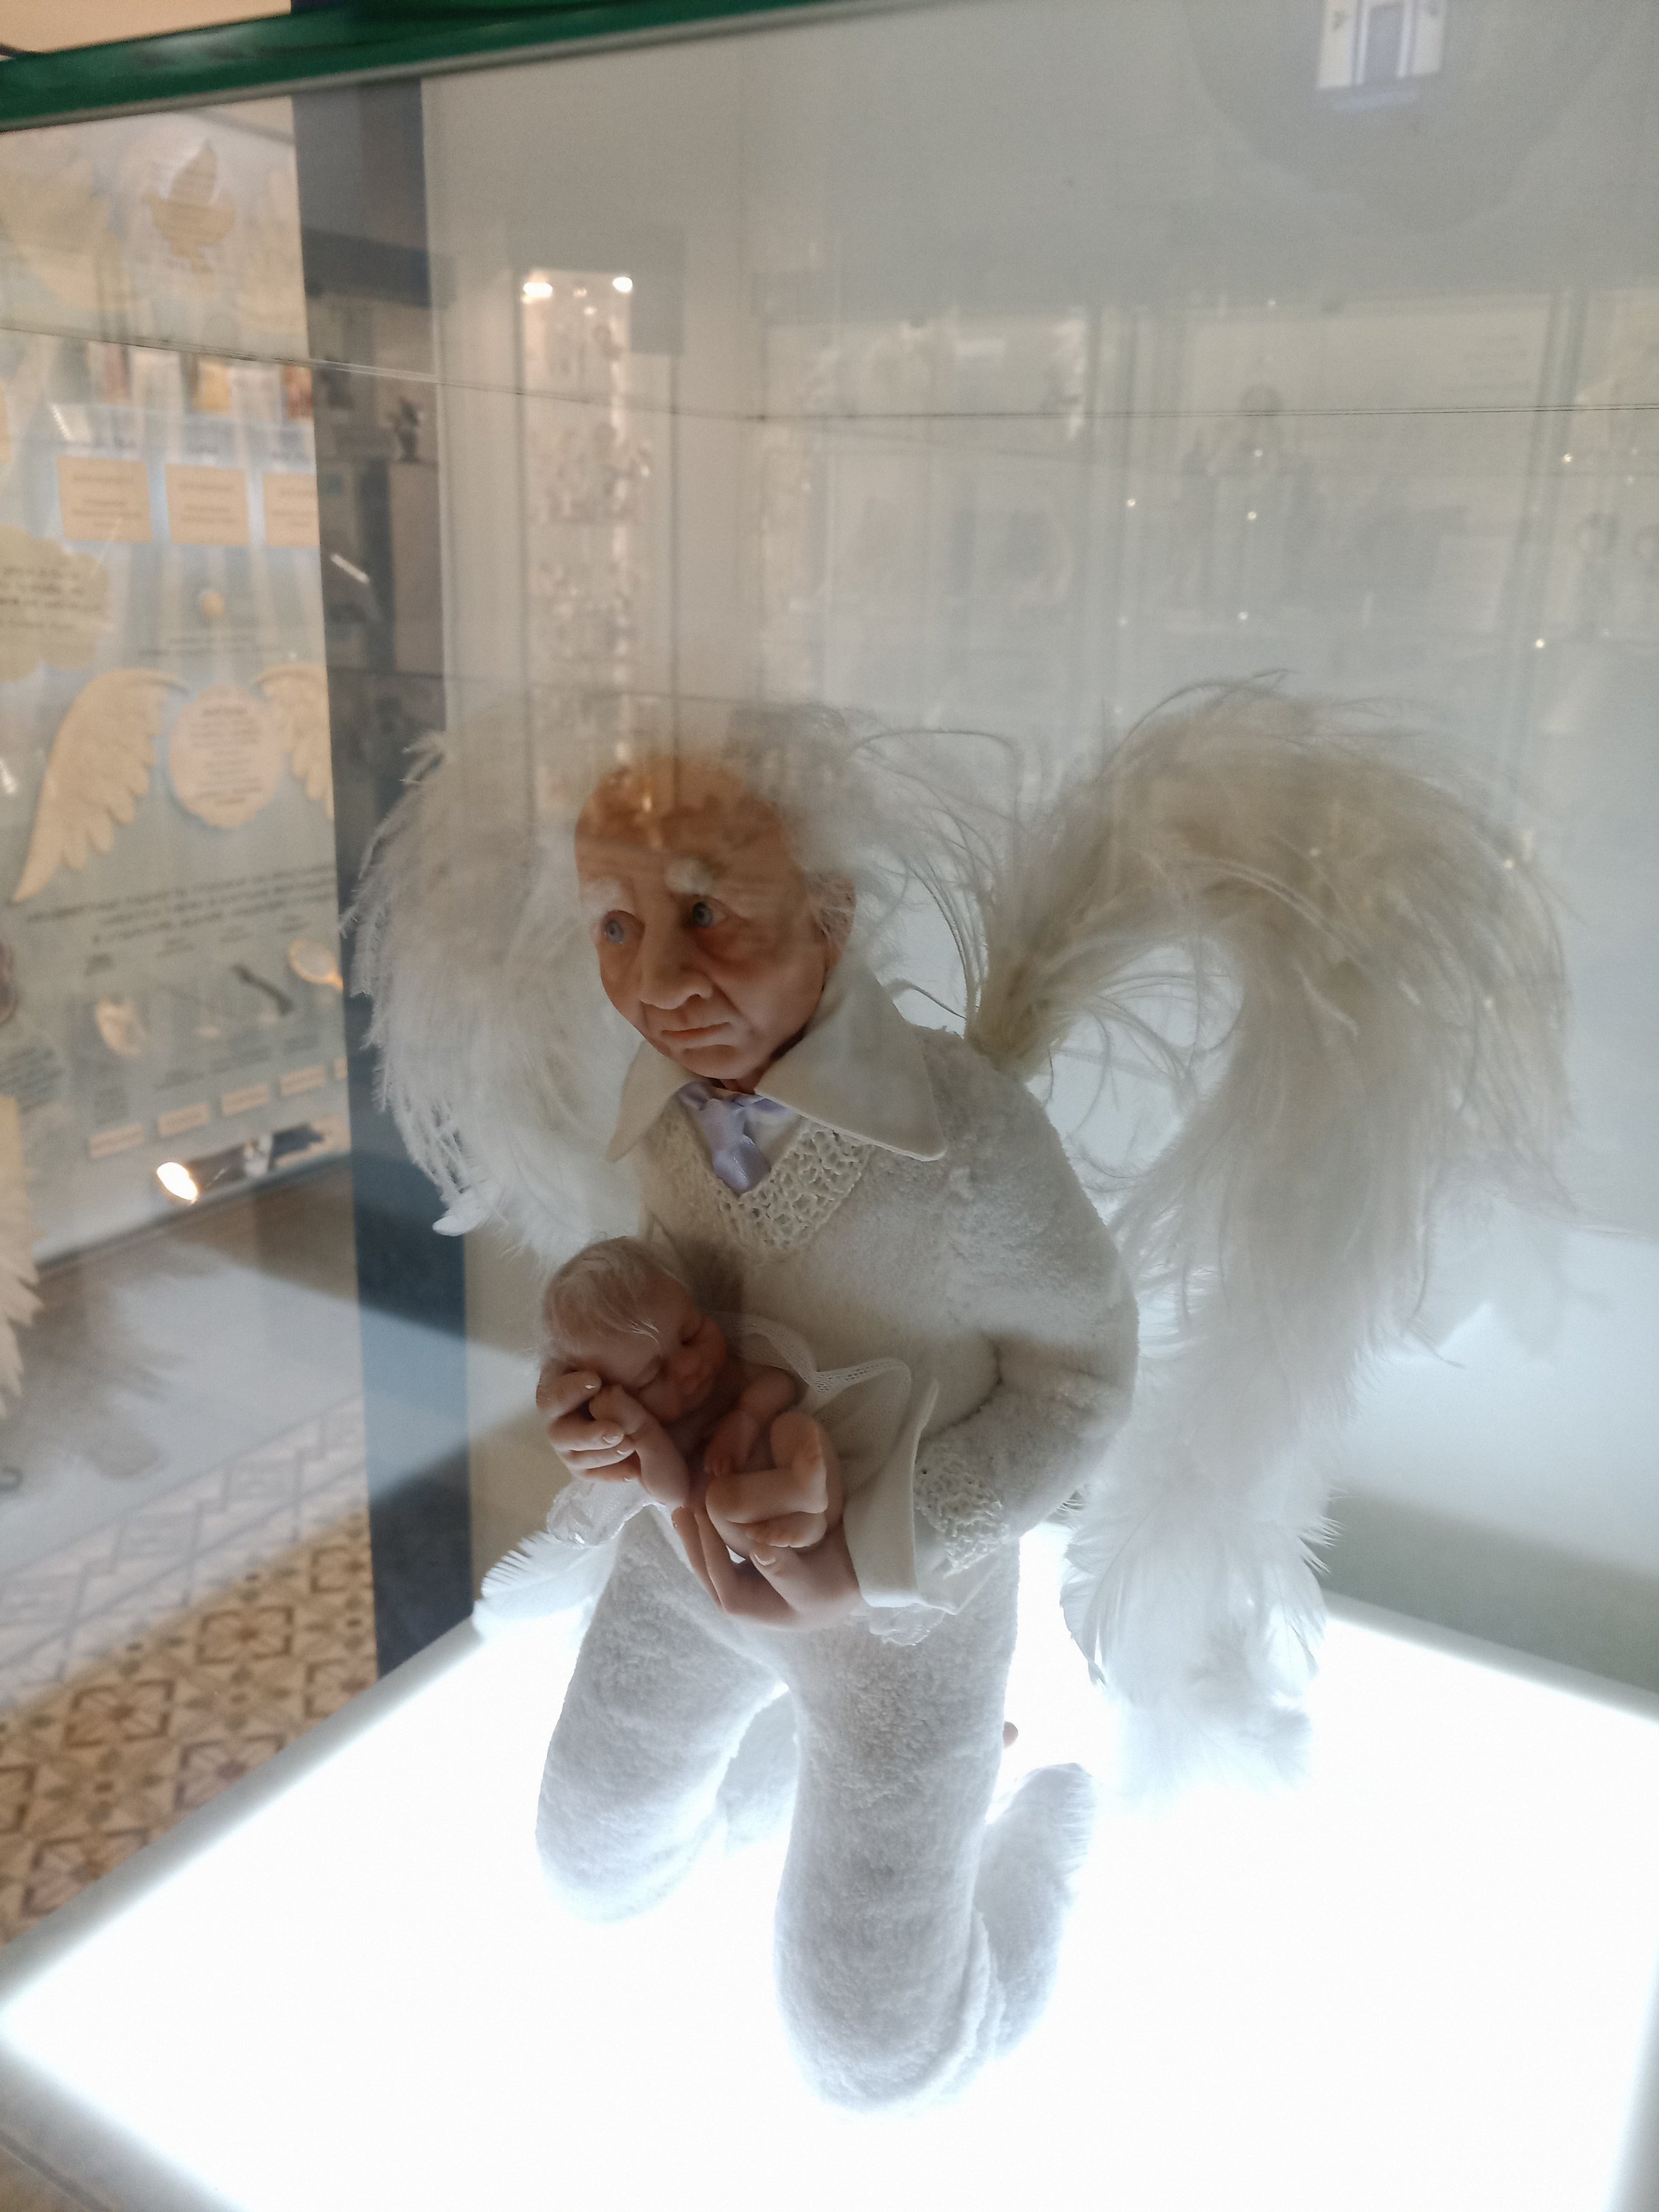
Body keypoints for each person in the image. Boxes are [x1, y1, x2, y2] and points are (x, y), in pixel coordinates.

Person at [355, 687, 1563, 2104]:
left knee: (875, 2057)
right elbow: (688, 1292)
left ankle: (1032, 1837)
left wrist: (884, 1535)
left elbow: (1079, 1378)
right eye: (616, 925)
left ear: (830, 914)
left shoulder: (966, 1145)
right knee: (592, 1867)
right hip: (690, 1564)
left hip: (904, 1631)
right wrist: (611, 1397)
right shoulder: (668, 1111)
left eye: (708, 913)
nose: (658, 977)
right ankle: (783, 1786)